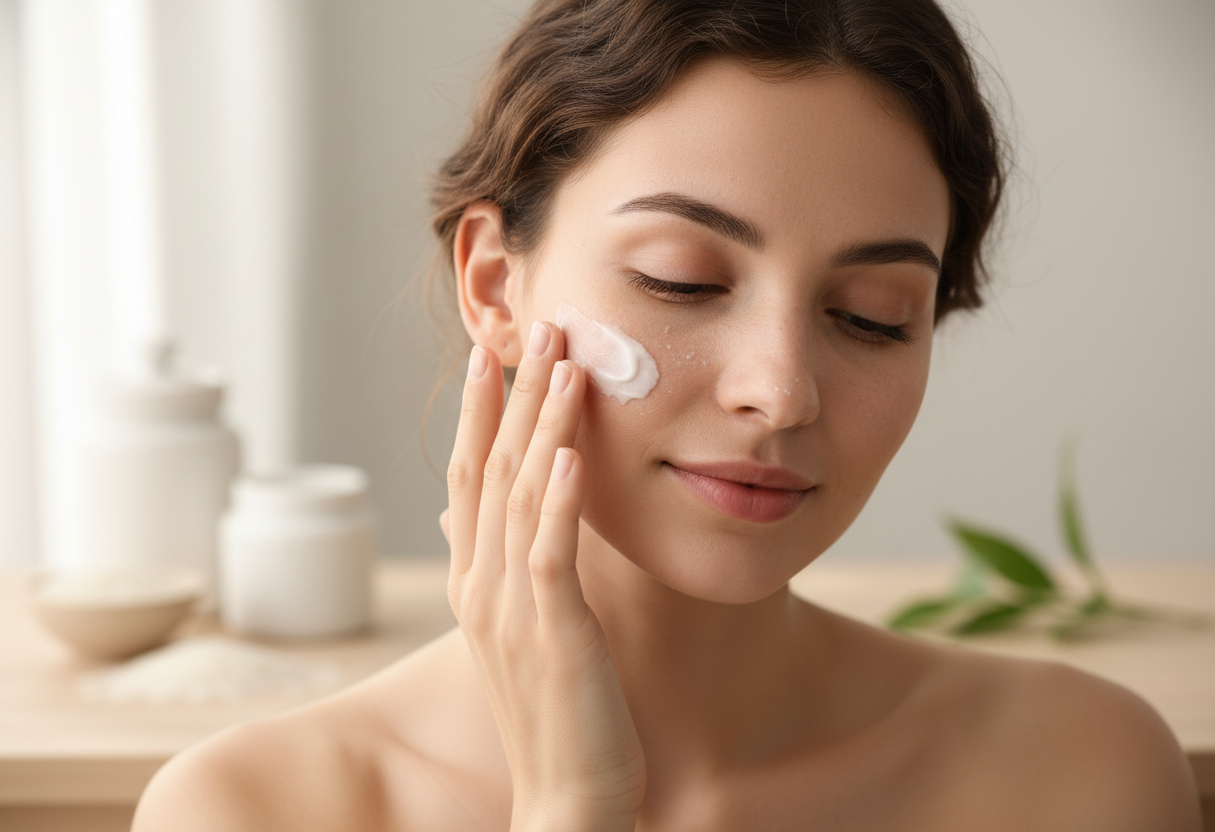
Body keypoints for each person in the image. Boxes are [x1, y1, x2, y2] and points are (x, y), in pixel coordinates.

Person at [133, 0, 1202, 829]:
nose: (780, 393)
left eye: (870, 316)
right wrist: (567, 802)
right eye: (682, 280)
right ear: (496, 288)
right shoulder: (251, 810)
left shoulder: (1078, 774)